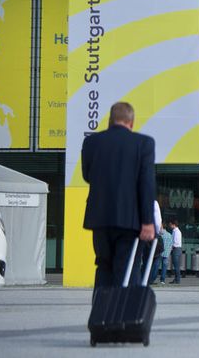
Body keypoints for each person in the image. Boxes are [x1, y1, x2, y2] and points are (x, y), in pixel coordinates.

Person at [82, 102, 156, 289]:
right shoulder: (144, 143)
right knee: (127, 268)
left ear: (110, 120)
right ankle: (123, 315)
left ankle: (101, 313)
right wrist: (148, 221)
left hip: (99, 218)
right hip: (129, 221)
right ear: (131, 122)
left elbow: (87, 176)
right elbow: (146, 184)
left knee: (103, 266)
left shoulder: (91, 142)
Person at [169, 219, 182, 284]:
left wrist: (170, 248)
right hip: (177, 249)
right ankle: (176, 279)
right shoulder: (176, 231)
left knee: (176, 265)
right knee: (176, 265)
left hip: (176, 249)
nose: (170, 226)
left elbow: (175, 242)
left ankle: (177, 279)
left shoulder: (176, 232)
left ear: (173, 224)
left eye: (170, 224)